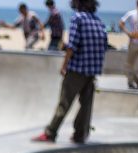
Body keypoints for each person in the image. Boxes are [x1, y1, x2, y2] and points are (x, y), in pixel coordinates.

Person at [32, 0, 107, 145]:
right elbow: (104, 45)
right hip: (93, 70)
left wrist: (64, 65)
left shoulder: (77, 18)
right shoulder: (98, 21)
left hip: (77, 69)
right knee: (86, 105)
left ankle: (50, 133)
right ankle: (80, 134)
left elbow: (72, 45)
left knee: (64, 103)